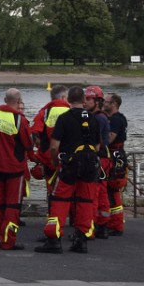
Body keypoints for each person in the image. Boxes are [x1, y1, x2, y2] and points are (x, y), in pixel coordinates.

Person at [35, 86, 102, 255]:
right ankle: (82, 239)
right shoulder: (93, 119)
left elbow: (54, 145)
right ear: (84, 100)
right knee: (85, 201)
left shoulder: (65, 118)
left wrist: (54, 159)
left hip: (70, 165)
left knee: (59, 200)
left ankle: (54, 239)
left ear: (68, 99)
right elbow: (97, 145)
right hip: (90, 165)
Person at [0, 88, 33, 250]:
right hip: (14, 168)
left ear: (5, 99)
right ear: (18, 101)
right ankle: (7, 241)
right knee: (12, 206)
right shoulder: (19, 119)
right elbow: (28, 144)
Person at [30, 84, 69, 205]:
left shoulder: (44, 113)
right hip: (69, 157)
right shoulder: (71, 111)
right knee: (70, 188)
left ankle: (52, 214)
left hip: (49, 159)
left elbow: (34, 133)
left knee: (51, 189)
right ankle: (72, 217)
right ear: (63, 98)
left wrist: (41, 149)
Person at [84, 85, 112, 239]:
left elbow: (96, 142)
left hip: (98, 158)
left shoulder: (98, 118)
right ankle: (102, 225)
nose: (85, 102)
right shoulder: (99, 117)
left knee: (93, 194)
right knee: (101, 193)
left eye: (89, 99)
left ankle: (91, 226)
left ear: (97, 101)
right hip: (102, 158)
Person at [102, 93, 128, 236]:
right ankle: (113, 222)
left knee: (112, 190)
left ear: (114, 104)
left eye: (106, 102)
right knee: (110, 191)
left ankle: (116, 224)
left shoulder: (116, 120)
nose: (103, 104)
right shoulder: (117, 118)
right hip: (115, 156)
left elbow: (109, 139)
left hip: (114, 157)